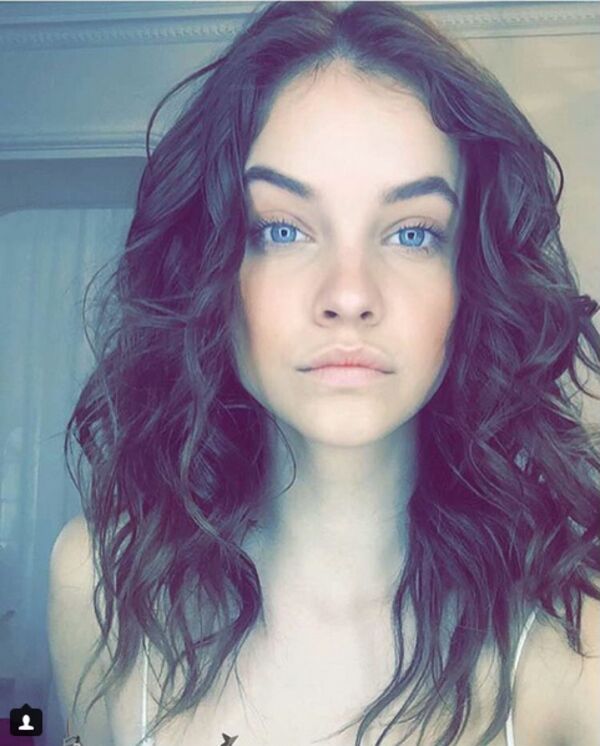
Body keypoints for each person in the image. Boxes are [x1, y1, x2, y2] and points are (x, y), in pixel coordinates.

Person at [48, 2, 600, 745]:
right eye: (282, 229)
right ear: (211, 270)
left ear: (470, 278)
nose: (348, 294)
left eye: (413, 233)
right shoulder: (98, 581)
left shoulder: (575, 640)